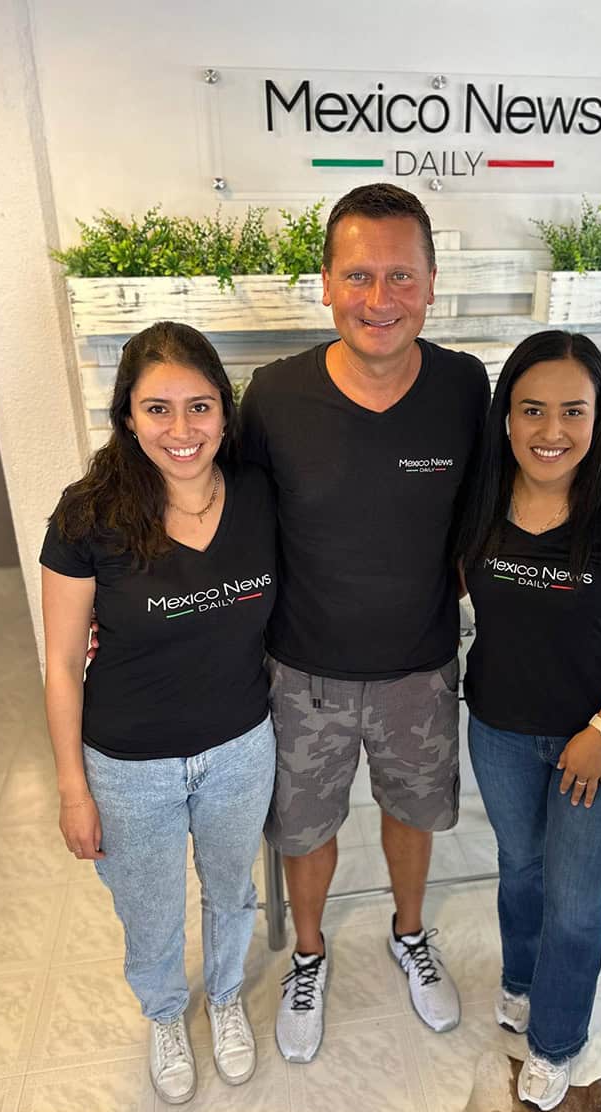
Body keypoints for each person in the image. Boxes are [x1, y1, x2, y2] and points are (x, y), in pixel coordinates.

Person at [240, 183, 490, 1062]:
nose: (378, 299)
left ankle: (408, 932)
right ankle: (309, 954)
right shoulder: (272, 397)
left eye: (398, 276)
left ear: (430, 283)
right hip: (301, 672)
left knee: (411, 813)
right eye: (358, 276)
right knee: (305, 828)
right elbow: (227, 519)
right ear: (326, 284)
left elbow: (486, 510)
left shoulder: (465, 385)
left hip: (420, 669)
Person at [40, 321, 277, 1105]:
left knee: (231, 888)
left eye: (200, 407)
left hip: (241, 744)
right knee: (148, 906)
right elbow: (63, 665)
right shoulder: (87, 516)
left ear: (225, 410)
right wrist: (74, 788)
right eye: (158, 409)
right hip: (128, 762)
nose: (182, 430)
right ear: (128, 416)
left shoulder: (257, 495)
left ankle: (225, 996)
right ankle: (167, 1013)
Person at [454, 330, 601, 1112]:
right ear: (507, 416)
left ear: (598, 415)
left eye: (572, 411)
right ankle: (521, 980)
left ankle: (555, 1039)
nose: (551, 431)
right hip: (500, 730)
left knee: (574, 896)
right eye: (531, 410)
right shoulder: (480, 495)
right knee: (519, 867)